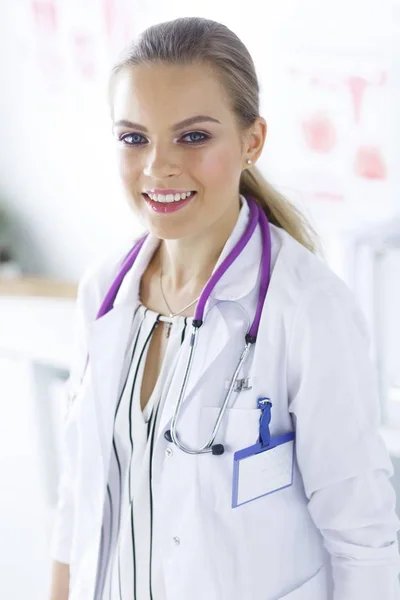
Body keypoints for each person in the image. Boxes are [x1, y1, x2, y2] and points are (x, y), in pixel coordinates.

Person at [48, 16, 400, 600]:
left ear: (252, 140)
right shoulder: (104, 291)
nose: (158, 165)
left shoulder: (308, 308)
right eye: (134, 137)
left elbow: (363, 541)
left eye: (193, 137)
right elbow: (76, 499)